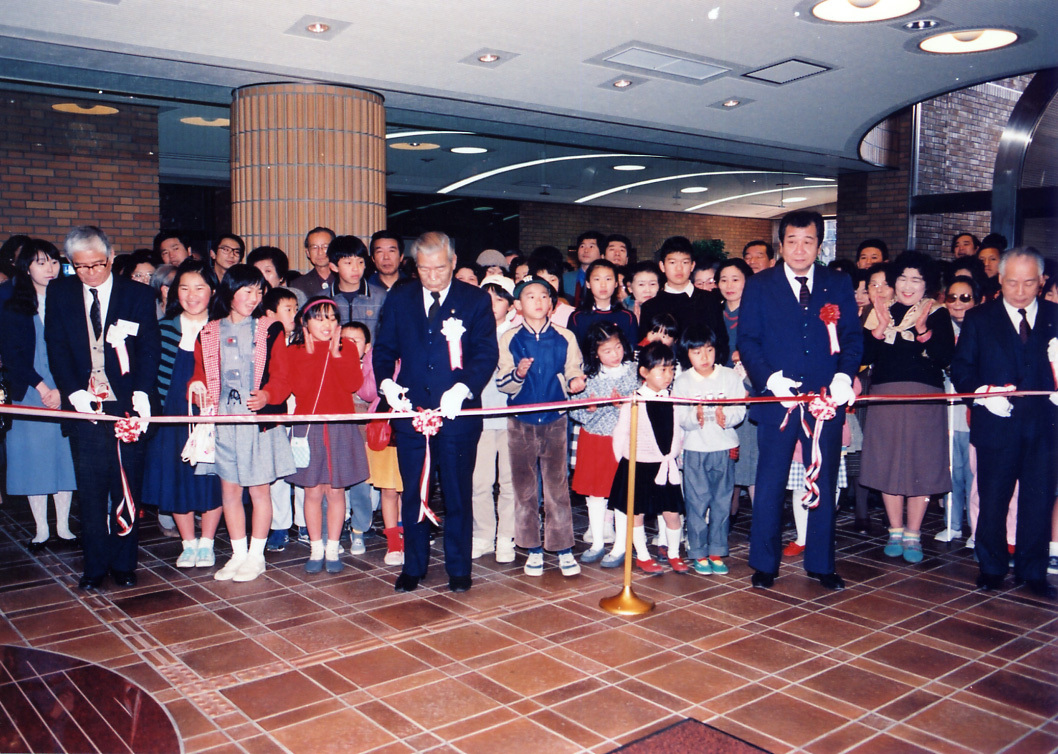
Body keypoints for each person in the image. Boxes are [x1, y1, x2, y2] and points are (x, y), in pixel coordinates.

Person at [738, 210, 862, 591]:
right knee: (771, 479)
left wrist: (843, 377)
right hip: (779, 400)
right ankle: (764, 563)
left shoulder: (837, 283)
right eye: (792, 241)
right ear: (780, 245)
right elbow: (748, 339)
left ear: (819, 245)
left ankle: (822, 564)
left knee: (822, 479)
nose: (799, 248)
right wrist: (770, 380)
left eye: (808, 241)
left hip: (825, 399)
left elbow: (853, 336)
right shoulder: (760, 284)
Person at [372, 231, 499, 593]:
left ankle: (459, 569)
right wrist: (386, 384)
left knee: (458, 491)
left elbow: (485, 352)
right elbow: (383, 348)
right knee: (414, 490)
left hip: (458, 414)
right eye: (424, 269)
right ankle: (414, 566)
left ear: (454, 262)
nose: (432, 277)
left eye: (440, 268)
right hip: (412, 411)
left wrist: (463, 388)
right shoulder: (402, 296)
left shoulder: (474, 299)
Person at [45, 226, 160, 590]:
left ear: (110, 258)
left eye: (97, 265)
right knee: (91, 489)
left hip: (127, 404)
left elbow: (149, 348)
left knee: (127, 489)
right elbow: (57, 346)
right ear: (71, 265)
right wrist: (73, 393)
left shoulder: (137, 294)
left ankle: (125, 563)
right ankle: (94, 566)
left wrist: (142, 395)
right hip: (86, 406)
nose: (90, 273)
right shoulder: (60, 292)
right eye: (80, 267)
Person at [951, 247, 1057, 599]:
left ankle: (1033, 570)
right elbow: (961, 369)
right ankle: (992, 567)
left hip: (1045, 427)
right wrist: (983, 394)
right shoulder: (980, 318)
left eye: (1029, 283)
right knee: (993, 499)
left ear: (1042, 281)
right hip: (997, 424)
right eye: (1012, 282)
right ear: (1000, 280)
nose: (1021, 291)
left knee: (1038, 501)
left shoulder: (1056, 316)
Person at [188, 264, 295, 582]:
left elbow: (283, 376)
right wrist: (196, 386)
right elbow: (200, 373)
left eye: (259, 291)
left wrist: (268, 395)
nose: (254, 297)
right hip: (223, 421)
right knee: (230, 491)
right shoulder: (209, 331)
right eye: (247, 290)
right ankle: (237, 554)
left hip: (258, 422)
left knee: (260, 490)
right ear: (229, 292)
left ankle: (256, 555)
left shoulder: (271, 328)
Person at [258, 298, 367, 574]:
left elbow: (353, 384)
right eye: (319, 318)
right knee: (312, 491)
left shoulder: (348, 348)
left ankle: (333, 547)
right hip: (308, 429)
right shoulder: (294, 351)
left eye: (331, 318)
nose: (327, 324)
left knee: (336, 489)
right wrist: (308, 355)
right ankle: (315, 546)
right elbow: (299, 389)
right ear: (306, 323)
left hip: (340, 426)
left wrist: (337, 355)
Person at [860, 251, 955, 564]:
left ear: (926, 284)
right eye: (903, 278)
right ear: (894, 281)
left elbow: (944, 357)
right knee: (888, 460)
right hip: (885, 395)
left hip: (924, 398)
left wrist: (924, 332)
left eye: (916, 279)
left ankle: (914, 532)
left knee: (920, 463)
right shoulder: (880, 310)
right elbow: (863, 355)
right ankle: (895, 529)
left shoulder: (936, 312)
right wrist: (880, 326)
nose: (908, 285)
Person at [496, 276, 586, 576]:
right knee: (524, 488)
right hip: (519, 421)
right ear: (519, 306)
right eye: (530, 297)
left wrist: (575, 382)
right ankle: (531, 548)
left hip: (555, 420)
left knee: (557, 486)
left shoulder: (565, 336)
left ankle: (562, 547)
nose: (538, 301)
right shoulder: (509, 338)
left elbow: (574, 369)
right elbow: (504, 383)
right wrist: (519, 375)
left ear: (552, 303)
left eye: (544, 296)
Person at [142, 259, 223, 568]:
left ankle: (207, 542)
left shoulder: (221, 327)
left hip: (209, 413)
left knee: (212, 476)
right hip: (171, 411)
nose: (192, 295)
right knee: (173, 474)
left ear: (212, 291)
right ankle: (188, 543)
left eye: (199, 288)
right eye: (184, 288)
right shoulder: (162, 327)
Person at [0, 239, 77, 552]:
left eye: (54, 261)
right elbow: (13, 353)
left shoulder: (68, 299)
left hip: (65, 390)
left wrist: (62, 388)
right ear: (26, 267)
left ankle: (64, 526)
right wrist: (43, 387)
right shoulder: (11, 301)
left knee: (64, 458)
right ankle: (41, 529)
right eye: (41, 262)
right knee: (33, 459)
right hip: (29, 391)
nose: (50, 268)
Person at [602, 342, 686, 573]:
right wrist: (626, 462)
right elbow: (620, 433)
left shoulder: (673, 399)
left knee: (672, 513)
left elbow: (678, 432)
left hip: (665, 467)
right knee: (635, 513)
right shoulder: (634, 400)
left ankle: (673, 553)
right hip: (638, 467)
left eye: (671, 369)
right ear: (644, 372)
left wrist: (673, 456)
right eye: (661, 369)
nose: (668, 375)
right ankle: (643, 555)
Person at [674, 324, 745, 575]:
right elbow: (680, 416)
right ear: (687, 355)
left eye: (709, 350)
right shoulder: (682, 381)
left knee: (722, 502)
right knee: (696, 502)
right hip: (695, 450)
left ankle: (716, 550)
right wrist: (697, 417)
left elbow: (740, 409)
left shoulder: (729, 376)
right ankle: (698, 551)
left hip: (724, 448)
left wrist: (726, 416)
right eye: (696, 352)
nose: (704, 357)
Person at [569, 322, 638, 564]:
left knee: (620, 493)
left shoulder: (635, 371)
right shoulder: (588, 377)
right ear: (595, 353)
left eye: (618, 347)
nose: (615, 354)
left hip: (622, 441)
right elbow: (575, 412)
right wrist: (590, 408)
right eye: (607, 351)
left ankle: (620, 545)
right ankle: (597, 541)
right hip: (594, 440)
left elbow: (644, 405)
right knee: (595, 495)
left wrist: (624, 407)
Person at [471, 276, 518, 563]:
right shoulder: (470, 333)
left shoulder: (516, 335)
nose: (492, 304)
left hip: (512, 417)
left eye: (499, 298)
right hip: (481, 417)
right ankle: (484, 534)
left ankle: (506, 537)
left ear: (511, 306)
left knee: (511, 482)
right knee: (480, 481)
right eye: (486, 297)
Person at [936, 274, 982, 544]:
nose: (957, 303)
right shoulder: (942, 327)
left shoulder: (983, 328)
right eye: (952, 297)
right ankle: (952, 524)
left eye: (965, 298)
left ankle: (977, 529)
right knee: (952, 469)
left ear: (977, 300)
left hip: (973, 410)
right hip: (948, 409)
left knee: (974, 472)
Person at [636, 236, 728, 358]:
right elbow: (645, 351)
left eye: (685, 262)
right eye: (672, 262)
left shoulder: (709, 300)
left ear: (692, 266)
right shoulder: (651, 306)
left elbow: (721, 342)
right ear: (662, 266)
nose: (679, 268)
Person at [567, 259, 638, 351]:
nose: (603, 285)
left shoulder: (627, 317)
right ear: (588, 284)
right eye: (597, 279)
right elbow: (572, 354)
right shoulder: (577, 317)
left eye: (608, 279)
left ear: (616, 283)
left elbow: (633, 351)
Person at [327, 235, 388, 339]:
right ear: (334, 267)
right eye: (348, 263)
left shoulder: (381, 297)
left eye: (360, 262)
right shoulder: (324, 298)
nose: (356, 268)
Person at [289, 227, 336, 299]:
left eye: (325, 247)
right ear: (308, 253)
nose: (320, 252)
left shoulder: (345, 280)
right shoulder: (298, 285)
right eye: (314, 247)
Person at [561, 231, 604, 306]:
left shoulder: (605, 281)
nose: (586, 250)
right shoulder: (565, 278)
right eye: (582, 246)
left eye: (591, 246)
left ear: (602, 255)